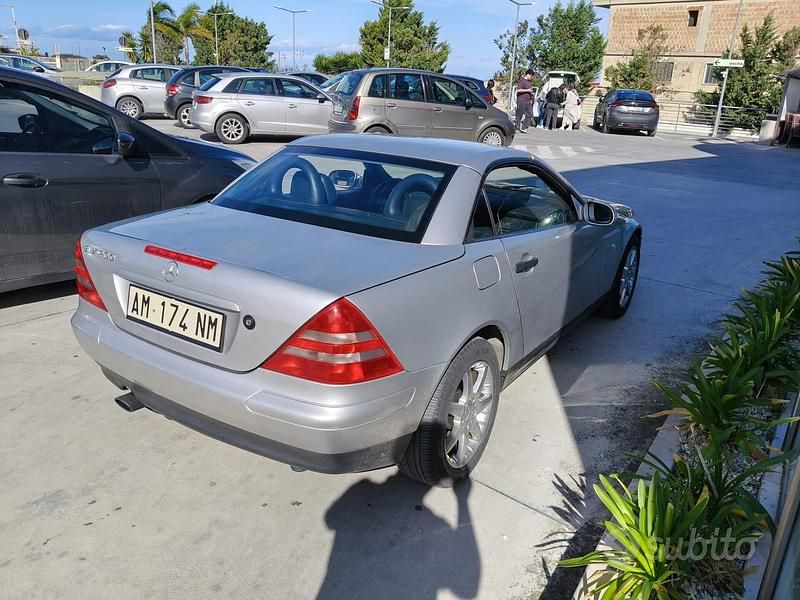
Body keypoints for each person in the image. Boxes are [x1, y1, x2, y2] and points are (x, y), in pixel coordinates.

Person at [514, 69, 535, 133]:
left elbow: (529, 90)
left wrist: (531, 94)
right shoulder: (522, 81)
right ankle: (517, 128)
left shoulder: (529, 82)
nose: (531, 77)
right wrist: (527, 90)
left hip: (528, 101)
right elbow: (518, 90)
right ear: (528, 74)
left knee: (530, 114)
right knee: (519, 115)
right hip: (521, 101)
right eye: (531, 76)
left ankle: (524, 127)